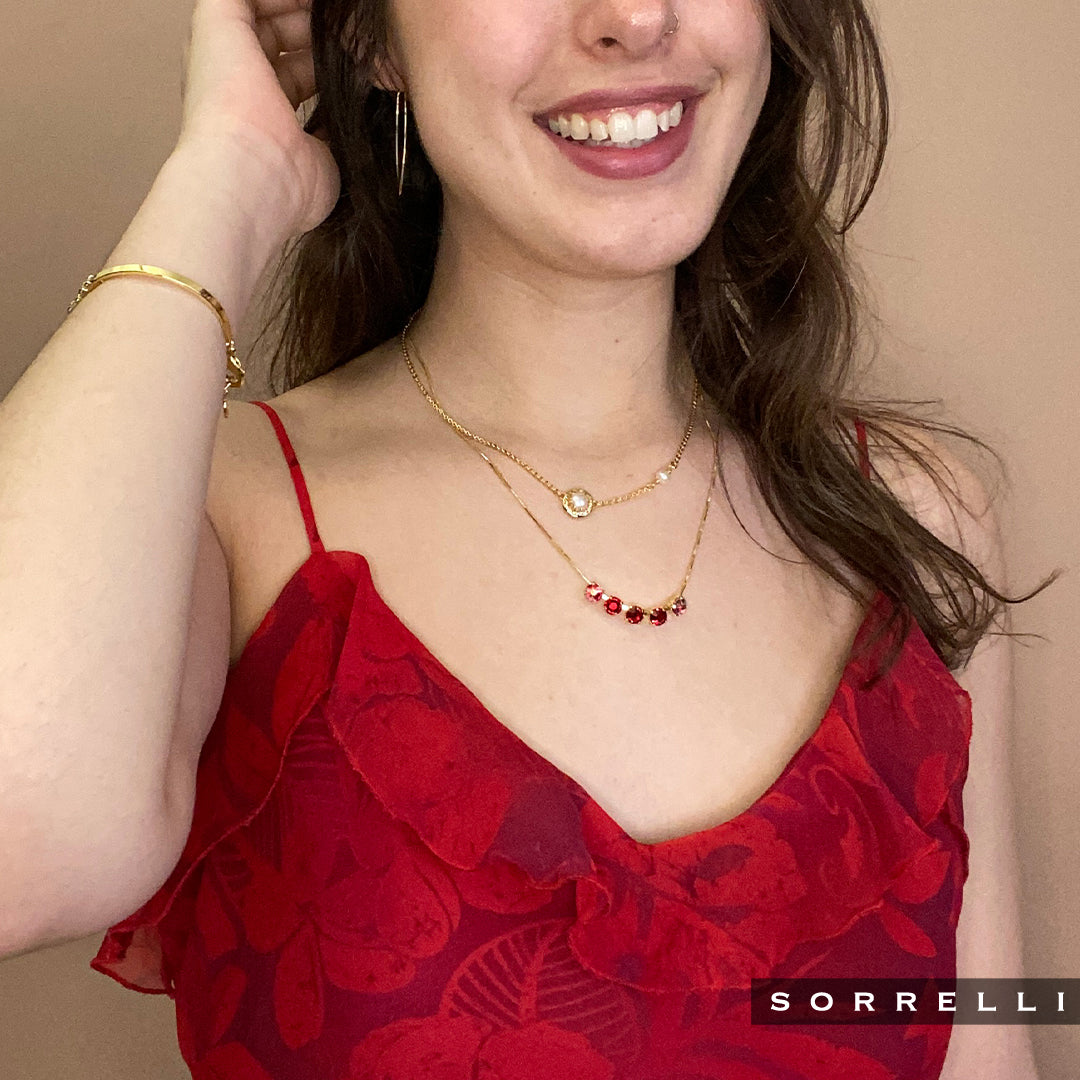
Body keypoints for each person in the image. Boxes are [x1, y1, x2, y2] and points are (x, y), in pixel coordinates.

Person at [0, 0, 1054, 1076]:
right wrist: (227, 176)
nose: (635, 17)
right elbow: (16, 853)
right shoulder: (220, 511)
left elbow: (989, 1055)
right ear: (367, 37)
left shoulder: (913, 516)